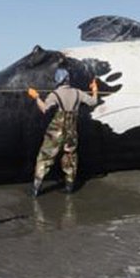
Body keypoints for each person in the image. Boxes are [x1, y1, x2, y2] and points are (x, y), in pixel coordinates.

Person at [27, 68, 98, 197]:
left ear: (58, 81)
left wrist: (36, 97)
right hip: (71, 131)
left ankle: (35, 190)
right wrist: (94, 89)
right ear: (68, 79)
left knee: (44, 158)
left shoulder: (54, 94)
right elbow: (93, 102)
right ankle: (69, 188)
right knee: (70, 158)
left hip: (55, 132)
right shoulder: (78, 93)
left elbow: (44, 109)